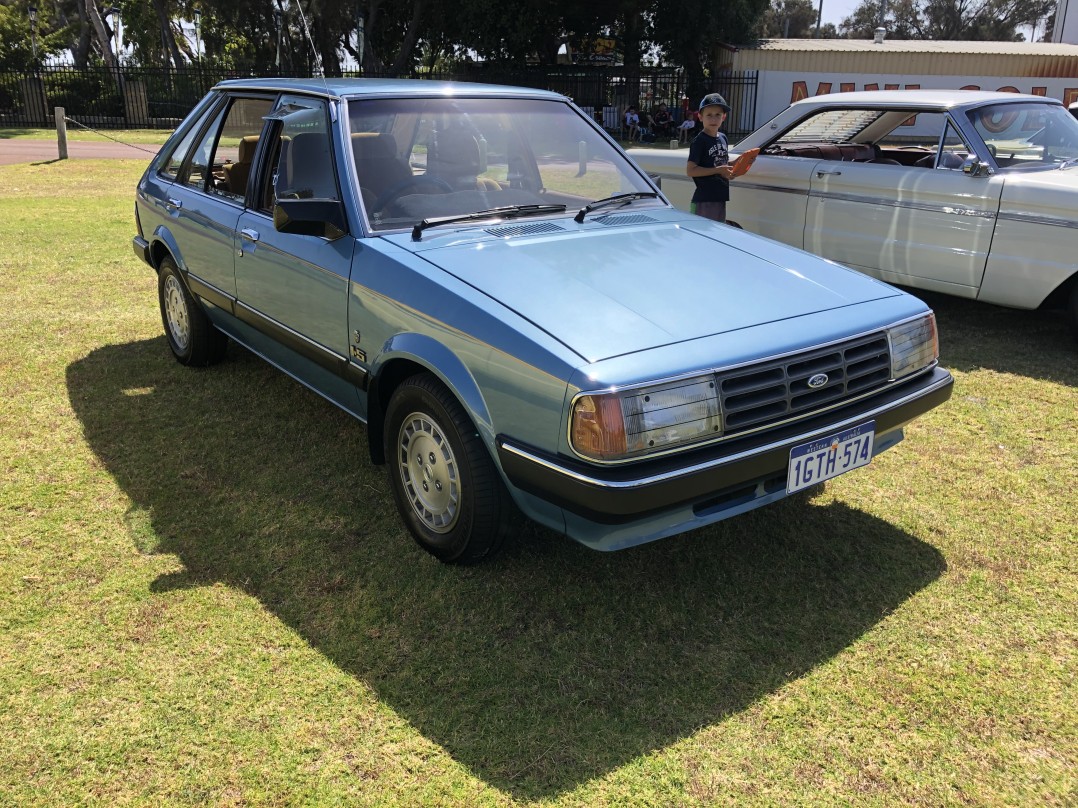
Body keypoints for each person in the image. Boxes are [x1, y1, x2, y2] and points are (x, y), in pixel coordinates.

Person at [685, 92, 733, 223]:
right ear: (700, 117)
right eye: (709, 115)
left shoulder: (723, 138)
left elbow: (720, 162)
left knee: (717, 236)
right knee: (702, 238)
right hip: (704, 200)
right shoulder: (699, 141)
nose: (713, 119)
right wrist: (718, 170)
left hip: (720, 197)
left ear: (724, 117)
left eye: (718, 115)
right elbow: (691, 171)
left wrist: (735, 165)